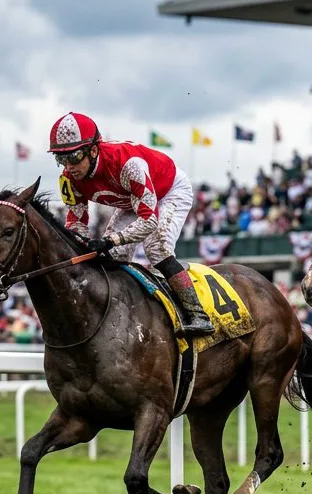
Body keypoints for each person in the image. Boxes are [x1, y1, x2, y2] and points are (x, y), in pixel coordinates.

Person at [49, 111, 213, 335]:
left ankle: (198, 314)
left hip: (169, 191)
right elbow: (76, 223)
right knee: (113, 257)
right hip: (130, 201)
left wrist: (111, 239)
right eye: (61, 159)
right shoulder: (68, 179)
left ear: (93, 150)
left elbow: (149, 220)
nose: (69, 166)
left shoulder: (128, 165)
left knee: (156, 248)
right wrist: (81, 243)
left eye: (74, 157)